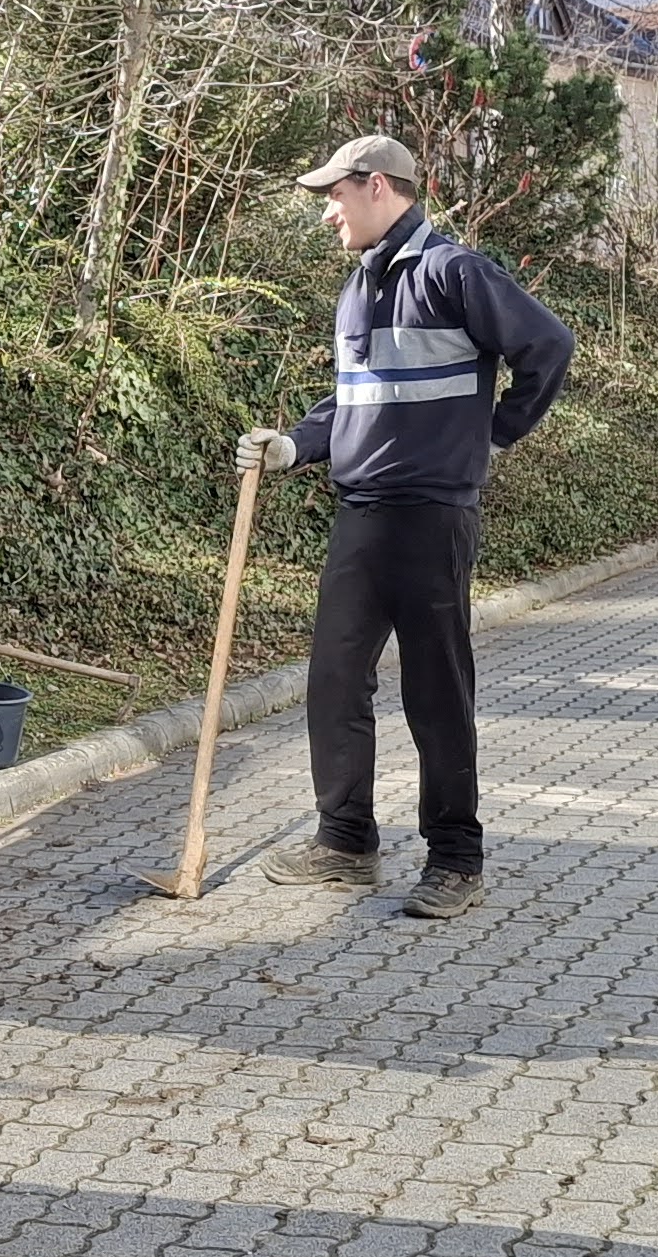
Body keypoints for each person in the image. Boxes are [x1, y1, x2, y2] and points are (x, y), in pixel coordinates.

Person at [236, 134, 576, 920]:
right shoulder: (358, 287)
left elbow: (549, 346)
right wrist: (295, 445)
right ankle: (345, 841)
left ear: (379, 187)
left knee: (436, 689)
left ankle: (455, 859)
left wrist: (494, 435)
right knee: (333, 680)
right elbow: (354, 396)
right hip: (362, 512)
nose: (328, 213)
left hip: (433, 515)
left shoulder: (455, 273)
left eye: (335, 196)